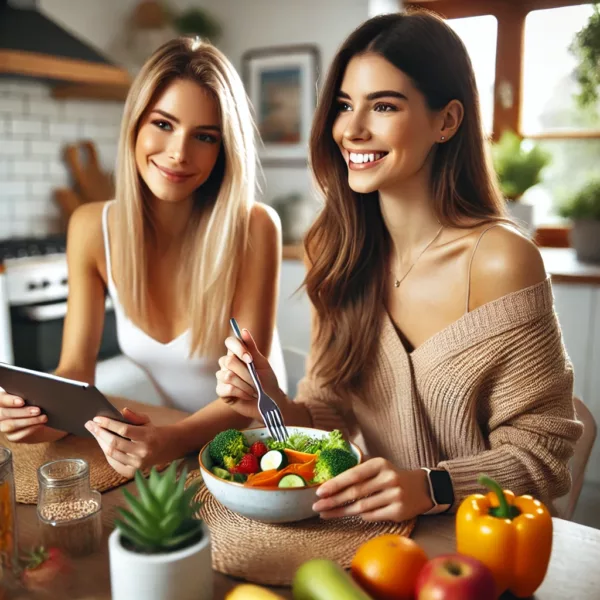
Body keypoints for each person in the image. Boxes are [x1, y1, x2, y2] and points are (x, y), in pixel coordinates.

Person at [216, 11, 583, 522]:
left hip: (484, 538)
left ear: (447, 121)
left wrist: (434, 486)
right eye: (344, 106)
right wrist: (272, 401)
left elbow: (544, 458)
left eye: (384, 106)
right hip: (379, 534)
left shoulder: (500, 260)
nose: (352, 129)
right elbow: (331, 414)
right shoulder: (337, 251)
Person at [0, 37, 284, 478]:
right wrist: (35, 418)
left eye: (204, 136)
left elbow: (247, 399)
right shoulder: (90, 227)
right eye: (164, 124)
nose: (179, 153)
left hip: (258, 452)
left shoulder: (254, 228)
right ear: (135, 124)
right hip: (171, 445)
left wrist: (169, 441)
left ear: (223, 150)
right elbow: (76, 371)